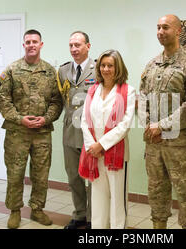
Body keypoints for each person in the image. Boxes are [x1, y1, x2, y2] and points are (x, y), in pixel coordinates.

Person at [138, 14, 186, 229]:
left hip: (181, 145)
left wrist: (163, 125)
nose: (160, 31)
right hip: (154, 143)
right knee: (156, 191)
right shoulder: (152, 65)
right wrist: (149, 124)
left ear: (178, 31)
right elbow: (142, 97)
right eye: (158, 27)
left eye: (165, 27)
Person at [0, 29, 63, 229]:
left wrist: (46, 118)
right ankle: (15, 211)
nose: (32, 45)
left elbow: (56, 101)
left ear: (41, 44)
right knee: (15, 174)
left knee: (41, 175)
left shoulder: (51, 71)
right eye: (28, 42)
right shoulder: (11, 70)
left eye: (35, 41)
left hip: (42, 133)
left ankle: (37, 209)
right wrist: (19, 119)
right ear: (23, 44)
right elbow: (3, 100)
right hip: (18, 133)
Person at [80, 49, 135, 229]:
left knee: (118, 201)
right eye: (102, 65)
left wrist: (101, 145)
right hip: (94, 154)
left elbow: (124, 125)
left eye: (110, 65)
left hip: (115, 155)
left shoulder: (128, 91)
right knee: (98, 199)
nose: (105, 69)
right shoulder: (92, 90)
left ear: (118, 67)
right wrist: (91, 146)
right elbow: (84, 120)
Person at [57, 31, 96, 229]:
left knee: (91, 178)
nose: (74, 49)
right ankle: (79, 214)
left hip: (91, 133)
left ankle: (92, 218)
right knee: (73, 176)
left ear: (88, 46)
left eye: (78, 45)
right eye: (71, 45)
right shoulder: (63, 70)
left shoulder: (98, 69)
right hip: (70, 131)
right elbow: (59, 100)